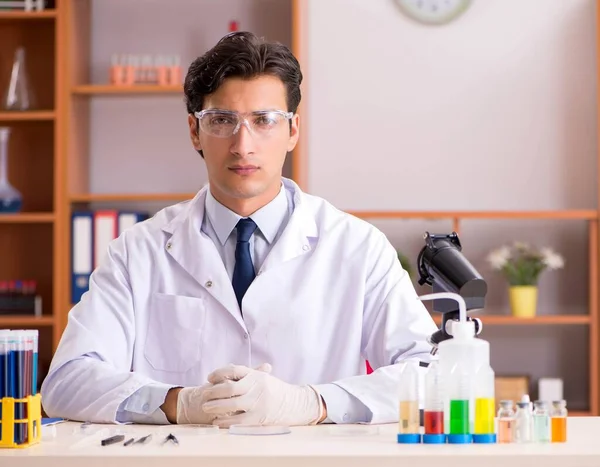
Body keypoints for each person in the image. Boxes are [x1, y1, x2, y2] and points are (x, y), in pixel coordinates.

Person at [41, 31, 437, 427]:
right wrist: (178, 403)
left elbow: (428, 374)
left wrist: (312, 403)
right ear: (195, 131)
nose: (242, 144)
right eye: (221, 121)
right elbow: (66, 381)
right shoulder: (138, 251)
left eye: (264, 120)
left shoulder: (357, 247)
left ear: (293, 130)